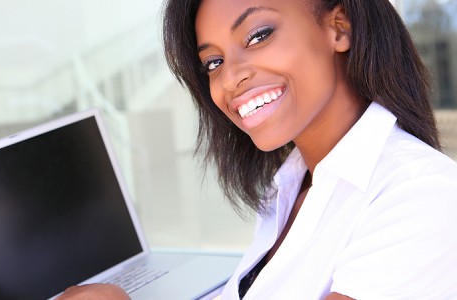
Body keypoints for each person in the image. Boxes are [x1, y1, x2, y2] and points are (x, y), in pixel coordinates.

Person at [58, 0, 457, 299]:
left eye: (259, 35)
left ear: (339, 28)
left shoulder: (422, 194)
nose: (230, 78)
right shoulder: (291, 184)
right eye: (212, 62)